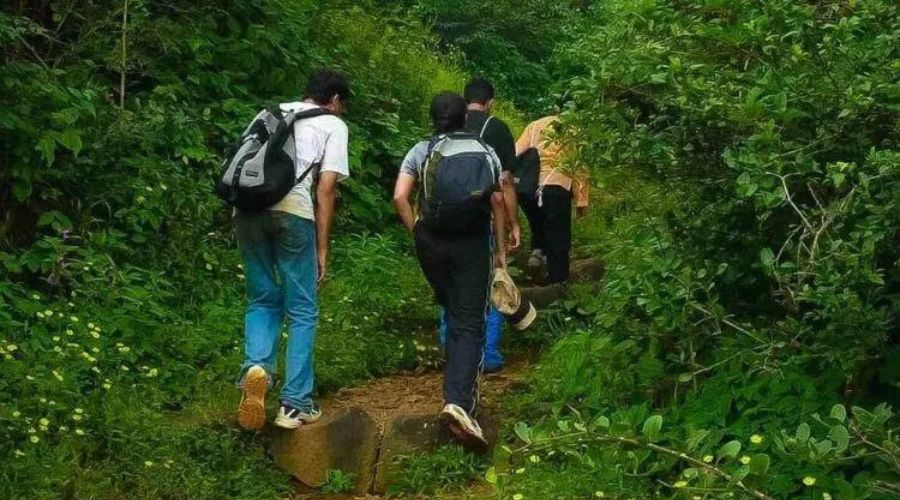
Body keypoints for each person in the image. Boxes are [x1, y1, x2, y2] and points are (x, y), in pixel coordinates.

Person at [235, 69, 350, 431]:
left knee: (262, 299)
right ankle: (294, 404)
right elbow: (326, 188)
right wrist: (322, 248)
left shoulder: (267, 113)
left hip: (247, 211)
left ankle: (257, 368)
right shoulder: (332, 125)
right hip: (293, 214)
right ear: (334, 100)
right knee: (302, 308)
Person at [393, 92, 506, 448]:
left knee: (453, 309)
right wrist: (500, 250)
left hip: (432, 242)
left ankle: (455, 388)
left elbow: (400, 196)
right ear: (464, 119)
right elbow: (498, 200)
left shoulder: (421, 150)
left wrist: (418, 232)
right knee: (470, 321)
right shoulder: (485, 151)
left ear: (432, 118)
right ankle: (459, 402)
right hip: (472, 243)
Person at [435, 77, 521, 373]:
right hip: (478, 221)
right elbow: (504, 184)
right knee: (489, 284)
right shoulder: (496, 129)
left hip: (440, 225)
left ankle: (451, 349)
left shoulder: (445, 126)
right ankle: (489, 353)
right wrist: (512, 224)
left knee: (449, 288)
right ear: (491, 102)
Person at [516, 114, 589, 285]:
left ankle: (537, 253)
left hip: (530, 188)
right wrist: (581, 201)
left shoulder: (534, 126)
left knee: (539, 224)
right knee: (558, 235)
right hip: (557, 185)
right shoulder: (573, 130)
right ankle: (557, 282)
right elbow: (580, 166)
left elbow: (516, 153)